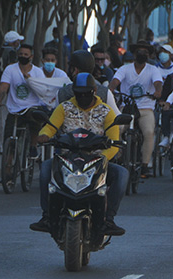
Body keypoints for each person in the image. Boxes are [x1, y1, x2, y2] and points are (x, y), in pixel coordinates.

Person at [30, 74, 127, 236]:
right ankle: (47, 216)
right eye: (78, 93)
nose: (82, 97)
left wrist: (102, 158)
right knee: (46, 168)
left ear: (94, 91)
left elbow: (114, 143)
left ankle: (108, 219)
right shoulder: (64, 108)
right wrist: (44, 134)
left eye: (86, 93)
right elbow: (50, 126)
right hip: (67, 160)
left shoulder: (107, 112)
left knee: (122, 174)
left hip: (96, 161)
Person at [109, 40, 164, 178]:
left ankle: (145, 164)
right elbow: (115, 82)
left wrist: (158, 91)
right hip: (127, 108)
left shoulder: (153, 70)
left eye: (146, 52)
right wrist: (110, 91)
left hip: (146, 108)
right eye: (140, 51)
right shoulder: (124, 69)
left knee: (149, 131)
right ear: (134, 54)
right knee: (118, 129)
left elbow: (158, 83)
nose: (142, 54)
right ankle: (119, 156)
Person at [0, 44, 54, 157]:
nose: (23, 56)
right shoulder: (10, 69)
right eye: (21, 54)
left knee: (35, 122)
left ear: (31, 56)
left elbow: (43, 91)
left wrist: (30, 81)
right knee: (9, 133)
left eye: (25, 54)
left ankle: (33, 145)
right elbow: (3, 86)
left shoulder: (37, 72)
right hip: (15, 109)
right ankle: (9, 160)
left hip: (32, 107)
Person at [0, 30, 23, 154]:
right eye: (17, 41)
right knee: (5, 117)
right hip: (7, 87)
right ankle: (3, 145)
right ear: (13, 42)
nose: (19, 43)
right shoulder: (11, 52)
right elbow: (12, 67)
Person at [57, 49, 120, 114]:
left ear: (75, 70)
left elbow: (55, 117)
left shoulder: (61, 93)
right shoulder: (105, 93)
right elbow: (117, 118)